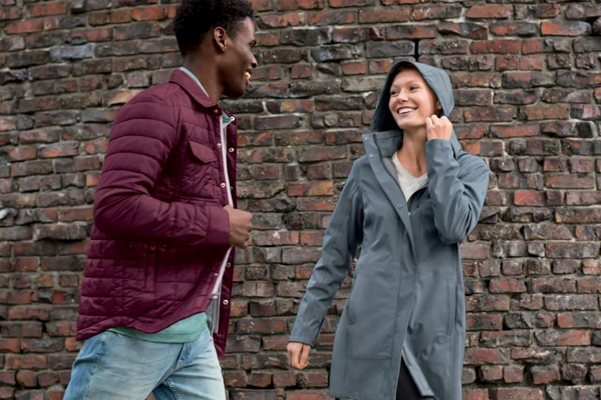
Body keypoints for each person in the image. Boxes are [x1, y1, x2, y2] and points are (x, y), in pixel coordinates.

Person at [63, 1, 257, 399]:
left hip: (191, 333)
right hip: (133, 334)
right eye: (251, 44)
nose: (253, 59)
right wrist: (219, 225)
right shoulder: (157, 107)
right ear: (221, 39)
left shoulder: (210, 121)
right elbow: (115, 207)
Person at [287, 61, 490, 400]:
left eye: (413, 89)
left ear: (438, 100)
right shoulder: (365, 171)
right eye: (394, 92)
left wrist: (440, 152)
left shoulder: (469, 169)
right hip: (370, 328)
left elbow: (453, 228)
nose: (401, 98)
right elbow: (335, 255)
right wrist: (304, 329)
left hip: (429, 334)